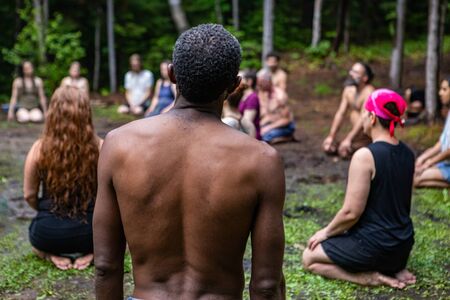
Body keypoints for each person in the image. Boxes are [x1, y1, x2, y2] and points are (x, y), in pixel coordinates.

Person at [94, 24, 285, 299]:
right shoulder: (262, 160)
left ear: (171, 74)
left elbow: (105, 267)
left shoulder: (118, 144)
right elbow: (266, 285)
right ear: (234, 86)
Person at [303, 89, 416, 289]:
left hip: (375, 247)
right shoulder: (407, 153)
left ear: (372, 117)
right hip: (402, 248)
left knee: (309, 257)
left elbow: (350, 212)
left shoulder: (365, 156)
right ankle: (393, 267)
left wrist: (326, 232)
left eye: (364, 113)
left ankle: (366, 278)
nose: (362, 118)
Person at [24, 86, 103, 270]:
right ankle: (93, 253)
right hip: (92, 235)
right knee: (118, 238)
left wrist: (46, 210)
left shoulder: (39, 149)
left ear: (53, 113)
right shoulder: (101, 147)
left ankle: (49, 254)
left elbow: (29, 194)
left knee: (36, 239)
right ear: (86, 113)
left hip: (49, 235)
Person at [322, 62, 375, 158]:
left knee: (357, 115)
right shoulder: (348, 90)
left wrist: (348, 139)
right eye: (352, 71)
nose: (351, 74)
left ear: (365, 78)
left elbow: (363, 119)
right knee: (328, 146)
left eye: (356, 72)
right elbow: (340, 113)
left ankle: (361, 145)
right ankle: (349, 145)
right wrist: (331, 136)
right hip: (358, 132)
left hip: (369, 132)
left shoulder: (369, 92)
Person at [414, 77, 450, 188]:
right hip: (446, 163)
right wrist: (423, 158)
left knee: (416, 179)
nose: (440, 93)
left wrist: (430, 162)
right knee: (415, 171)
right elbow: (441, 143)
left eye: (444, 89)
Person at [259, 71, 295, 144]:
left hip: (285, 126)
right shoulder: (265, 94)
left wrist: (268, 127)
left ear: (269, 82)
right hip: (272, 123)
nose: (260, 86)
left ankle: (287, 137)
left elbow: (286, 120)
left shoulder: (280, 96)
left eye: (262, 83)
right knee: (258, 134)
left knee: (265, 136)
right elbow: (268, 115)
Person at [239, 70, 262, 140]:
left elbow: (247, 121)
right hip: (241, 133)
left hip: (251, 136)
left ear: (249, 81)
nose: (237, 81)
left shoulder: (252, 98)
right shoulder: (242, 95)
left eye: (240, 79)